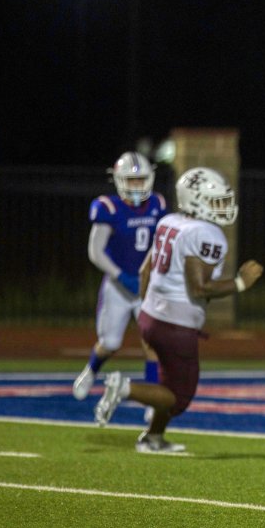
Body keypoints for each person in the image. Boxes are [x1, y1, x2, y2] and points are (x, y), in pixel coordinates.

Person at [93, 167, 263, 453]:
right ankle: (124, 388)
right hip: (176, 324)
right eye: (215, 201)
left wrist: (148, 311)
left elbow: (145, 270)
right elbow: (200, 288)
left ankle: (153, 438)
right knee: (178, 397)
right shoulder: (206, 233)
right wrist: (240, 283)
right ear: (195, 201)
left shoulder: (169, 221)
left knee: (167, 382)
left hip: (152, 315)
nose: (222, 207)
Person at [73, 152, 167, 400]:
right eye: (130, 180)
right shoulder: (109, 208)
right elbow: (95, 251)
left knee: (153, 343)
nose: (136, 186)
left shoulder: (157, 205)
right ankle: (91, 371)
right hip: (117, 287)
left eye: (140, 180)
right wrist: (121, 275)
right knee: (110, 344)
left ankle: (152, 400)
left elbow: (161, 243)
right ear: (118, 180)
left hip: (147, 286)